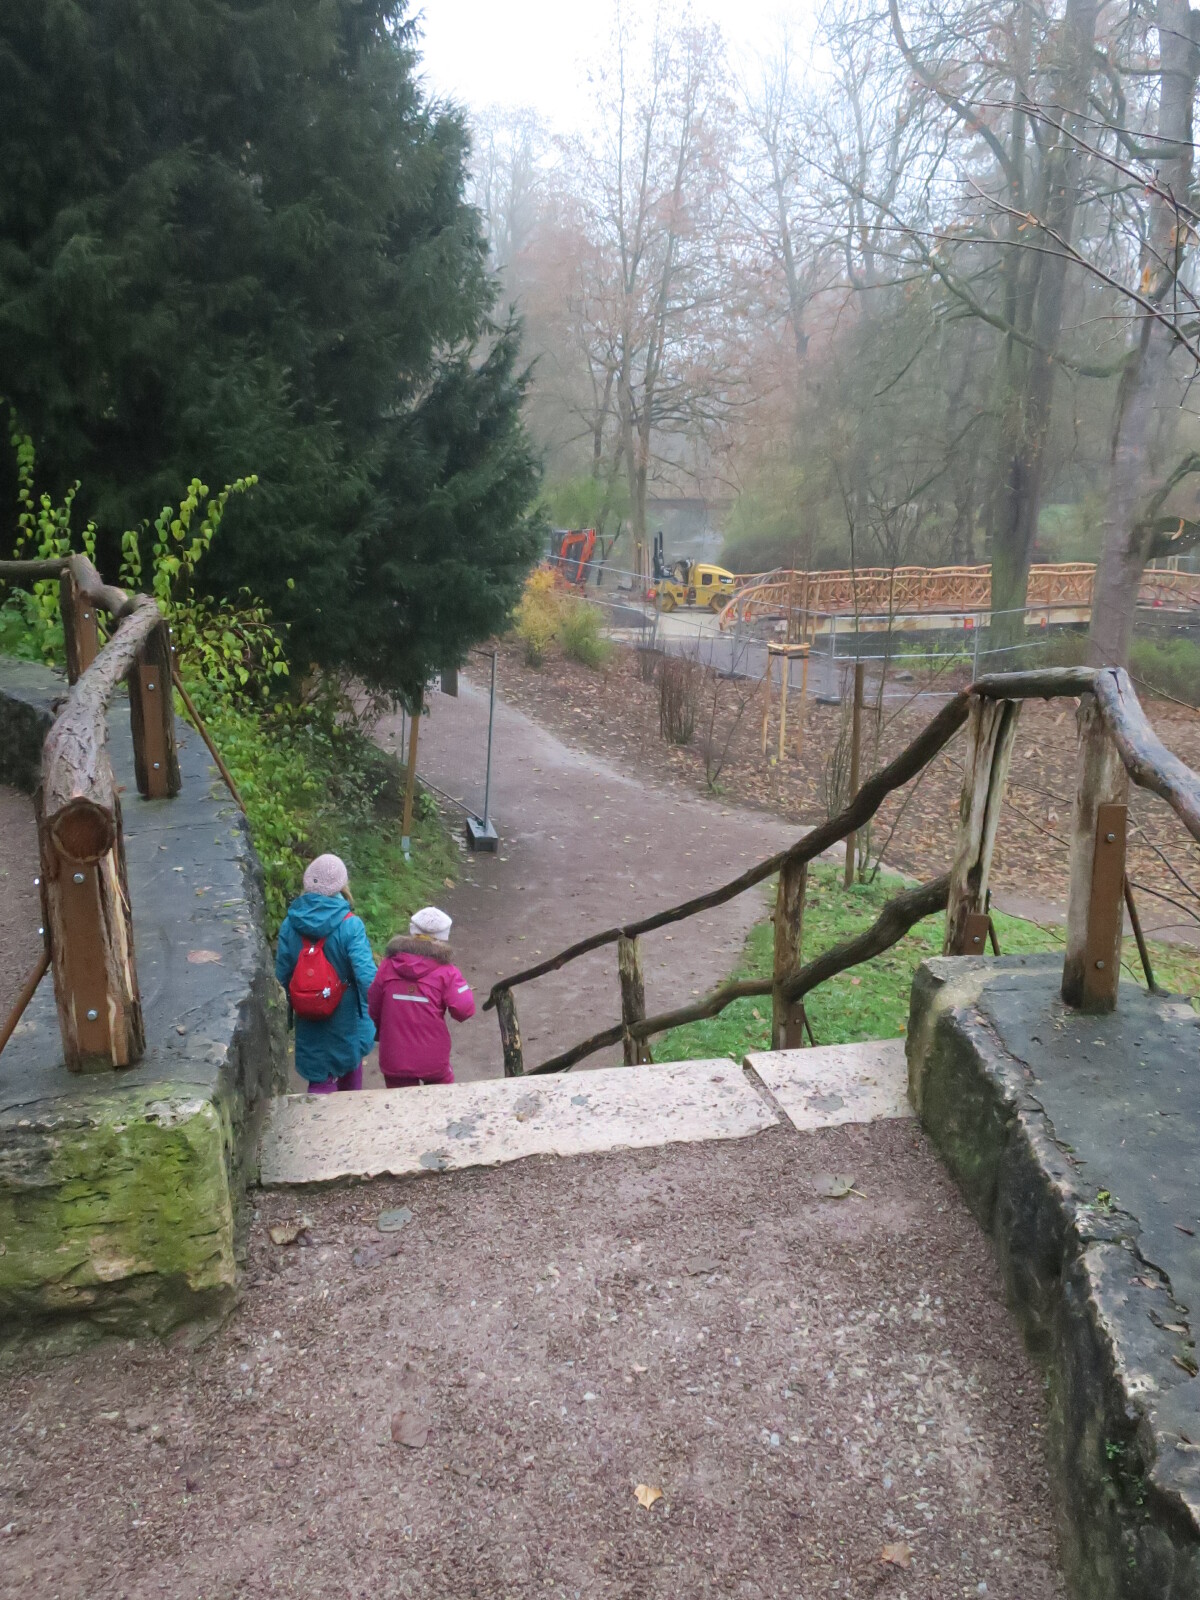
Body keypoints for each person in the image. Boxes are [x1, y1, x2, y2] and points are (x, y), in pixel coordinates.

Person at [275, 853, 377, 1094]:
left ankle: (317, 1115)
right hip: (347, 1017)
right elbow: (366, 977)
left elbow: (282, 975)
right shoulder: (350, 924)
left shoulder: (290, 924)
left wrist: (288, 1016)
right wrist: (381, 1013)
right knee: (350, 1073)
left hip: (308, 1016)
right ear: (342, 885)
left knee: (319, 1079)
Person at [368, 906, 474, 1087]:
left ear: (412, 931)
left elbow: (373, 1005)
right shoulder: (447, 971)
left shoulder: (387, 965)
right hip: (433, 1057)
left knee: (400, 1101)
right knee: (442, 1096)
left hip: (394, 1055)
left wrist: (380, 1034)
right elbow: (464, 1010)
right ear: (443, 937)